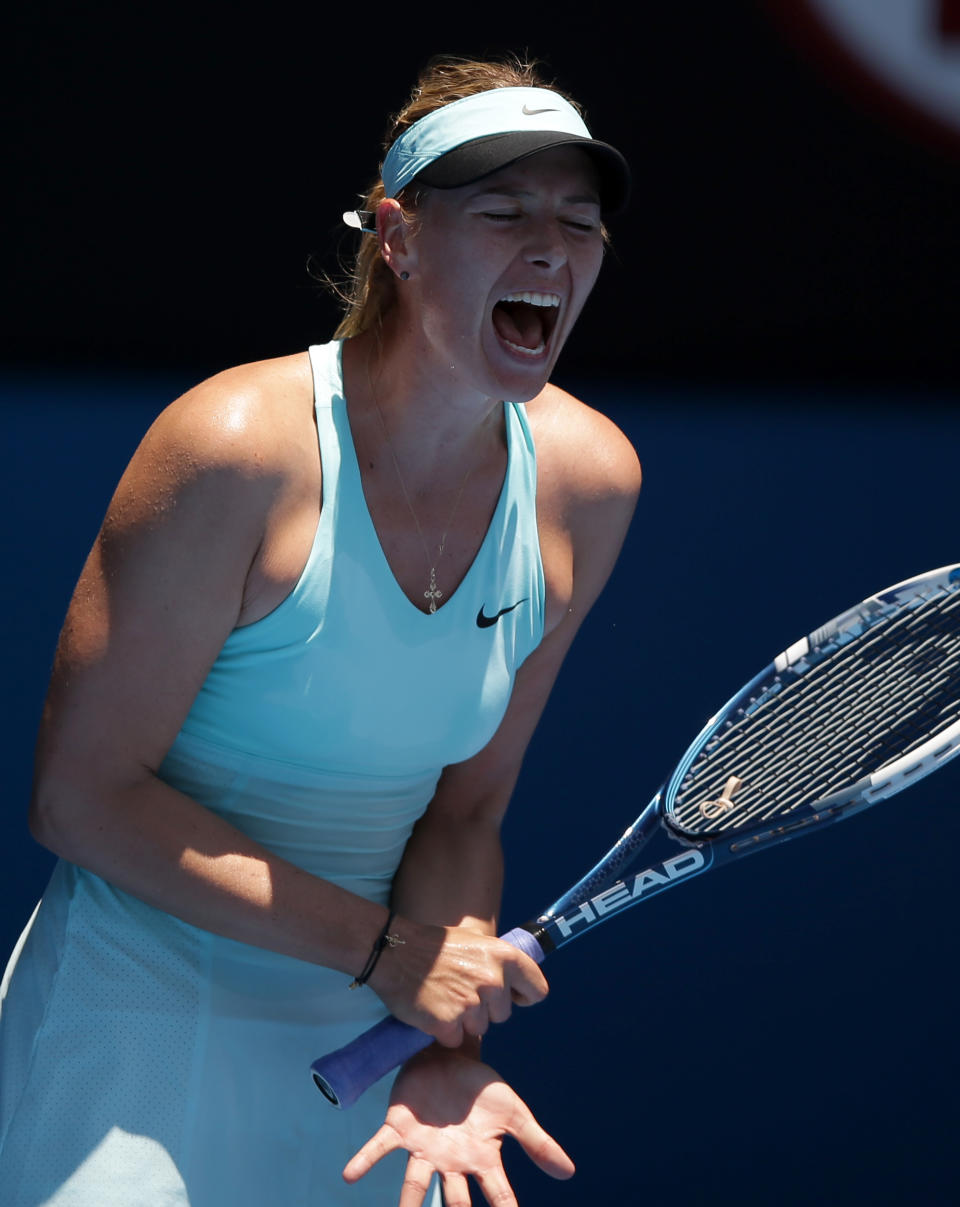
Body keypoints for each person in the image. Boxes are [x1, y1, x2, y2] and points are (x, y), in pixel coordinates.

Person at [0, 54, 641, 1207]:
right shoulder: (237, 448)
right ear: (396, 236)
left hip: (368, 1045)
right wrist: (392, 955)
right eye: (503, 213)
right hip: (142, 1003)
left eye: (579, 223)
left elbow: (468, 807)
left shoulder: (588, 481)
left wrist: (442, 1047)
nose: (551, 249)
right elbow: (80, 795)